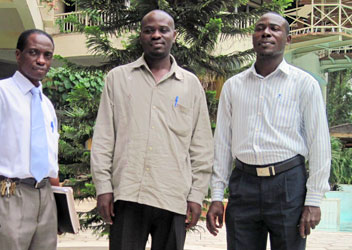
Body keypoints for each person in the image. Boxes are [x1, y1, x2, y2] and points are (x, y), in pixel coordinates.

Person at [206, 12, 331, 250]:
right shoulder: (234, 86)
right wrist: (216, 196)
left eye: (275, 28)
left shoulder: (304, 84)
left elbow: (319, 145)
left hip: (288, 184)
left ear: (288, 39)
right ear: (253, 38)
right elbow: (222, 145)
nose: (266, 33)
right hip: (243, 185)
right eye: (260, 28)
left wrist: (313, 200)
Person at [91, 9, 214, 250]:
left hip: (172, 196)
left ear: (174, 35)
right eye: (149, 30)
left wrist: (197, 195)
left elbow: (201, 147)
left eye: (163, 30)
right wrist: (104, 188)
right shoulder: (117, 79)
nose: (156, 35)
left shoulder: (190, 85)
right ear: (141, 36)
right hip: (127, 196)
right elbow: (104, 138)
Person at [0, 29, 60, 250]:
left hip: (45, 195)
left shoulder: (46, 105)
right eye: (33, 52)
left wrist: (59, 201)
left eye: (47, 55)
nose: (41, 60)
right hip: (10, 194)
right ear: (18, 55)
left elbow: (50, 160)